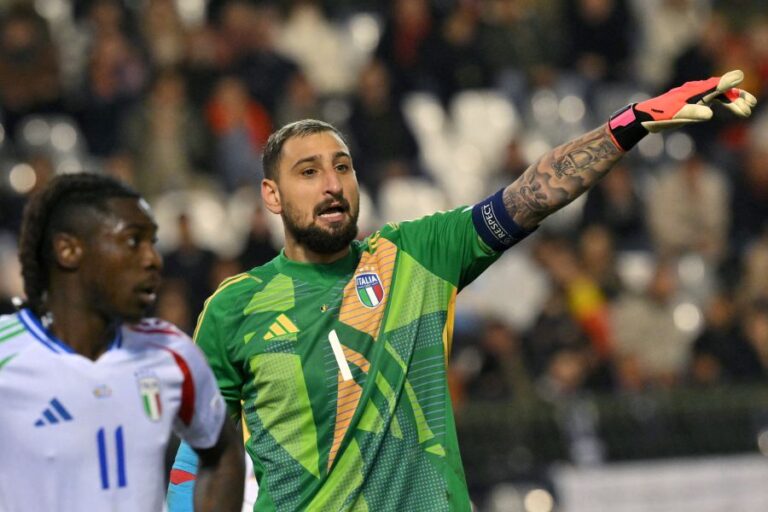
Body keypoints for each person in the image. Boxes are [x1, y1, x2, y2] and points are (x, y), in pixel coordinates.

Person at [168, 71, 756, 510]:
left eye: (342, 167)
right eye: (308, 172)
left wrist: (631, 124)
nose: (331, 185)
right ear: (271, 196)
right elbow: (199, 452)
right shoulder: (234, 309)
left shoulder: (415, 256)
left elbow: (533, 194)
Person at [0, 173, 245, 511]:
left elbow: (224, 454)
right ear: (68, 250)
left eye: (152, 242)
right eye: (133, 241)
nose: (153, 259)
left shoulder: (170, 352)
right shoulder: (7, 352)